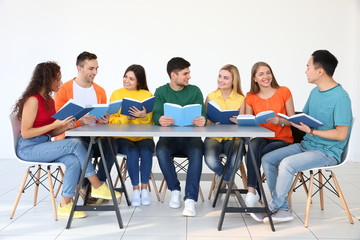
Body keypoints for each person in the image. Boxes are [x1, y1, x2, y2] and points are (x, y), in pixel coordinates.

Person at [13, 62, 120, 219]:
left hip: (44, 144)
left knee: (73, 161)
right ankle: (96, 184)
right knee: (75, 143)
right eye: (58, 79)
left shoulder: (48, 101)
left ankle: (65, 204)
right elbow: (27, 133)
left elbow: (52, 130)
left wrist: (64, 126)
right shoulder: (33, 100)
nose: (61, 83)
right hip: (28, 148)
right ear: (46, 79)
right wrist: (55, 124)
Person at [261, 50, 352, 223]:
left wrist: (312, 132)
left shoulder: (341, 98)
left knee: (287, 164)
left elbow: (341, 135)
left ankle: (273, 206)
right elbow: (305, 120)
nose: (305, 71)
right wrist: (284, 120)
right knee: (268, 158)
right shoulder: (315, 92)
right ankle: (283, 209)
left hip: (327, 152)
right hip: (307, 145)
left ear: (320, 71)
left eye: (308, 67)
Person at [54, 51, 114, 204]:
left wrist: (105, 119)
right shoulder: (64, 89)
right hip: (71, 138)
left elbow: (101, 120)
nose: (95, 72)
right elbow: (58, 120)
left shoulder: (99, 90)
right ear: (79, 68)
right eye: (91, 69)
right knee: (81, 144)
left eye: (96, 68)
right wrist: (80, 121)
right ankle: (86, 186)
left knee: (113, 144)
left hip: (94, 137)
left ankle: (98, 184)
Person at [153, 57, 206, 217]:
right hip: (169, 138)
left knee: (197, 151)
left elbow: (203, 113)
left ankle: (190, 199)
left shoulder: (195, 90)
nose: (189, 76)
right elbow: (156, 114)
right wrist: (159, 119)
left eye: (189, 73)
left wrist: (202, 119)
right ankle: (174, 189)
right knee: (161, 150)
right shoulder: (161, 91)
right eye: (185, 73)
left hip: (191, 138)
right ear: (173, 75)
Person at [244, 62, 295, 222]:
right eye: (261, 74)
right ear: (254, 78)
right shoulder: (250, 96)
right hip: (262, 138)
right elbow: (248, 121)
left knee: (257, 153)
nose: (266, 77)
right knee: (253, 146)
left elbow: (293, 121)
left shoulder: (284, 91)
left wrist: (280, 120)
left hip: (282, 140)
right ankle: (253, 191)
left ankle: (254, 192)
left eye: (268, 73)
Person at [109, 64, 155, 207]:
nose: (126, 81)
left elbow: (152, 121)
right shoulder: (117, 94)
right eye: (125, 77)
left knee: (147, 151)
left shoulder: (147, 95)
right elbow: (110, 120)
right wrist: (125, 119)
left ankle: (144, 189)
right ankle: (135, 190)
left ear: (139, 82)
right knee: (133, 152)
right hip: (123, 137)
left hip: (144, 136)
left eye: (131, 79)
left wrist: (143, 116)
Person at [204, 64, 245, 195]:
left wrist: (239, 122)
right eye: (220, 76)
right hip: (214, 137)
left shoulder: (241, 99)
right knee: (210, 159)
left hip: (234, 138)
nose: (221, 80)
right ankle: (228, 180)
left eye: (226, 78)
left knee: (236, 159)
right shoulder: (211, 97)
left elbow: (244, 124)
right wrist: (209, 122)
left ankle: (223, 180)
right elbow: (204, 120)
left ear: (234, 81)